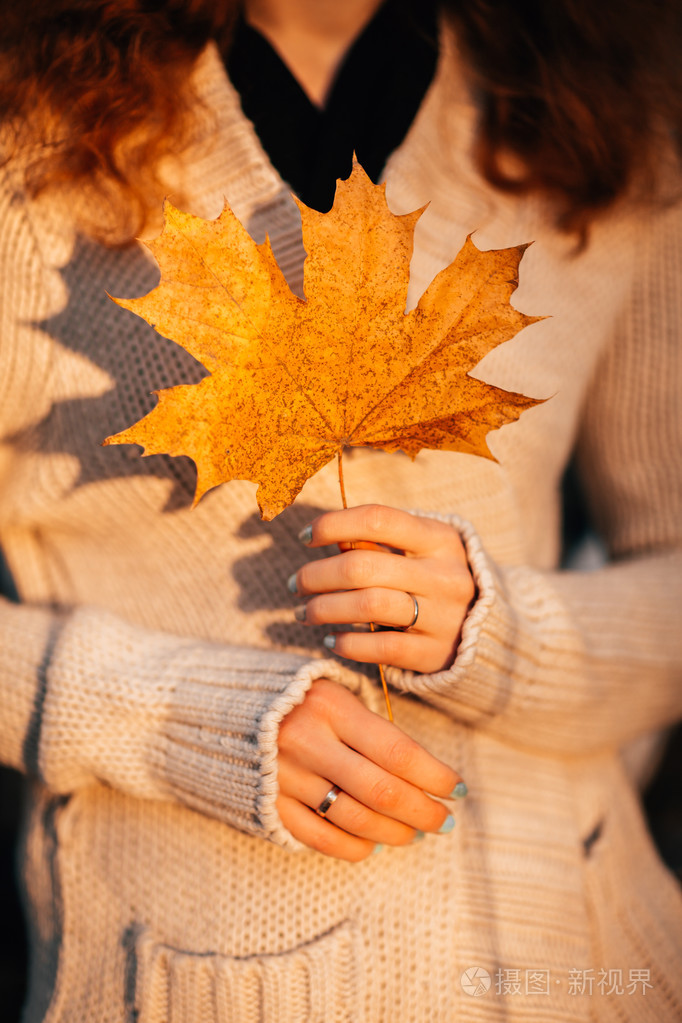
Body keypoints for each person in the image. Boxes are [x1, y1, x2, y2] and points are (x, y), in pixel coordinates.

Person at [1, 1, 681, 1020]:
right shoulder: (26, 153)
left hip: (586, 966)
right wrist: (176, 717)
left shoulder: (605, 132)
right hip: (206, 981)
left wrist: (509, 637)